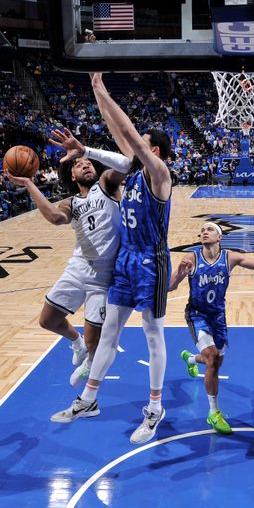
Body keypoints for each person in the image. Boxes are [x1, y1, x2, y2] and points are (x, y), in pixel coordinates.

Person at [51, 73, 173, 446]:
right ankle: (88, 399)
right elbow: (119, 134)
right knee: (110, 333)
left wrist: (104, 92)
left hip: (152, 262)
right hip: (126, 261)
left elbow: (129, 134)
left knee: (153, 335)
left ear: (153, 152)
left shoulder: (159, 174)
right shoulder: (131, 172)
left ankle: (155, 408)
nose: (133, 149)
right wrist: (96, 95)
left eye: (142, 146)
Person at [7, 153, 127, 391]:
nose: (85, 165)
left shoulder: (107, 185)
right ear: (72, 175)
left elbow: (125, 164)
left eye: (88, 163)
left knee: (96, 341)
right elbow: (54, 217)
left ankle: (90, 363)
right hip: (78, 267)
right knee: (47, 320)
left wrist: (87, 150)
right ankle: (76, 343)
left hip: (104, 276)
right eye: (79, 165)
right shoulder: (71, 203)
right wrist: (29, 183)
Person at [168, 222, 254, 435]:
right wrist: (178, 272)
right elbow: (170, 286)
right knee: (213, 357)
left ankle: (191, 359)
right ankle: (214, 413)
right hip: (197, 315)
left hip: (218, 317)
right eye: (202, 229)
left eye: (210, 229)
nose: (204, 231)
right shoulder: (191, 258)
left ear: (220, 237)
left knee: (215, 362)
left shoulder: (230, 257)